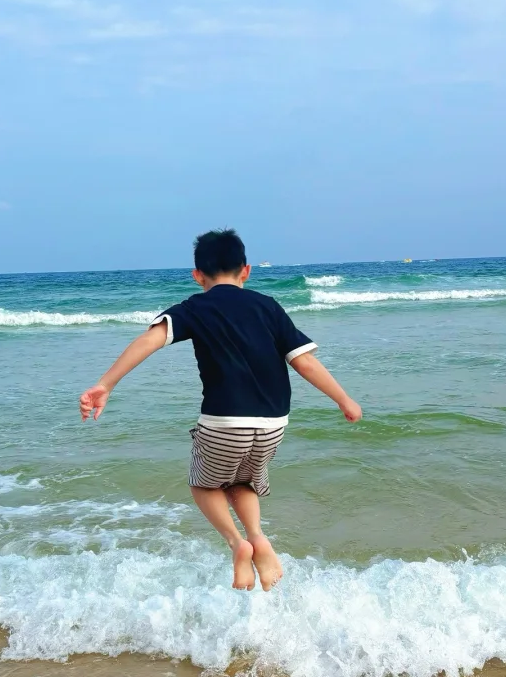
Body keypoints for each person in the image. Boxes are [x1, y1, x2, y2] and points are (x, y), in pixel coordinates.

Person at [78, 229, 362, 592]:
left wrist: (106, 384)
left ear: (197, 275)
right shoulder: (268, 306)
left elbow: (150, 339)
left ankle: (237, 543)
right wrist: (343, 399)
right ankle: (258, 537)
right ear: (246, 270)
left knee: (203, 484)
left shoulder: (194, 307)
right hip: (273, 423)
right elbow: (303, 361)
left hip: (224, 421)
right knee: (243, 482)